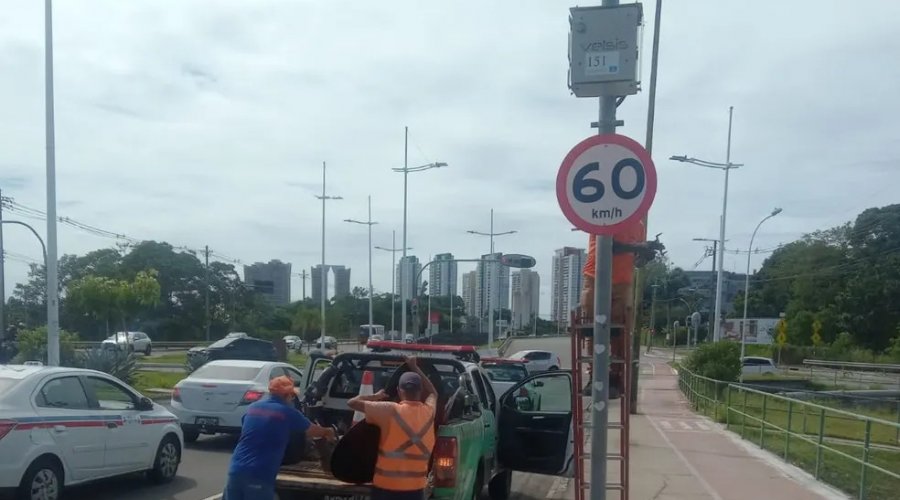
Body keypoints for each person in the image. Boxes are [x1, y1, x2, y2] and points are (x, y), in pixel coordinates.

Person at [224, 375, 336, 500]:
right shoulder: (287, 412)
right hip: (259, 474)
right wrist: (328, 431)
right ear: (288, 395)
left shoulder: (253, 408)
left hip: (236, 470)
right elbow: (313, 431)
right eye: (292, 396)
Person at [347, 356, 437, 500]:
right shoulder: (429, 412)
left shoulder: (388, 410)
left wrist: (375, 396)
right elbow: (433, 392)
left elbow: (352, 403)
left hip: (385, 488)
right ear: (420, 392)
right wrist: (415, 367)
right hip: (415, 490)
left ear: (399, 391)